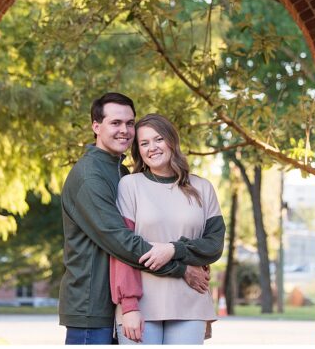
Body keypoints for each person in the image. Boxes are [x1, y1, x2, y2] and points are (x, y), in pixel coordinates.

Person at [59, 93, 218, 345]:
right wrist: (182, 268)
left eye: (129, 123)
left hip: (109, 304)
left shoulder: (118, 171)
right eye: (115, 123)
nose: (124, 130)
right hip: (91, 304)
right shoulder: (91, 176)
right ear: (96, 126)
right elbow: (121, 242)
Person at [110, 113, 225, 345]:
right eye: (144, 143)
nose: (152, 147)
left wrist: (174, 249)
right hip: (141, 305)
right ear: (138, 151)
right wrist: (129, 306)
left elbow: (214, 245)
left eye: (158, 139)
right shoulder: (130, 186)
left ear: (172, 141)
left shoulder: (202, 187)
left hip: (190, 302)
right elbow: (122, 250)